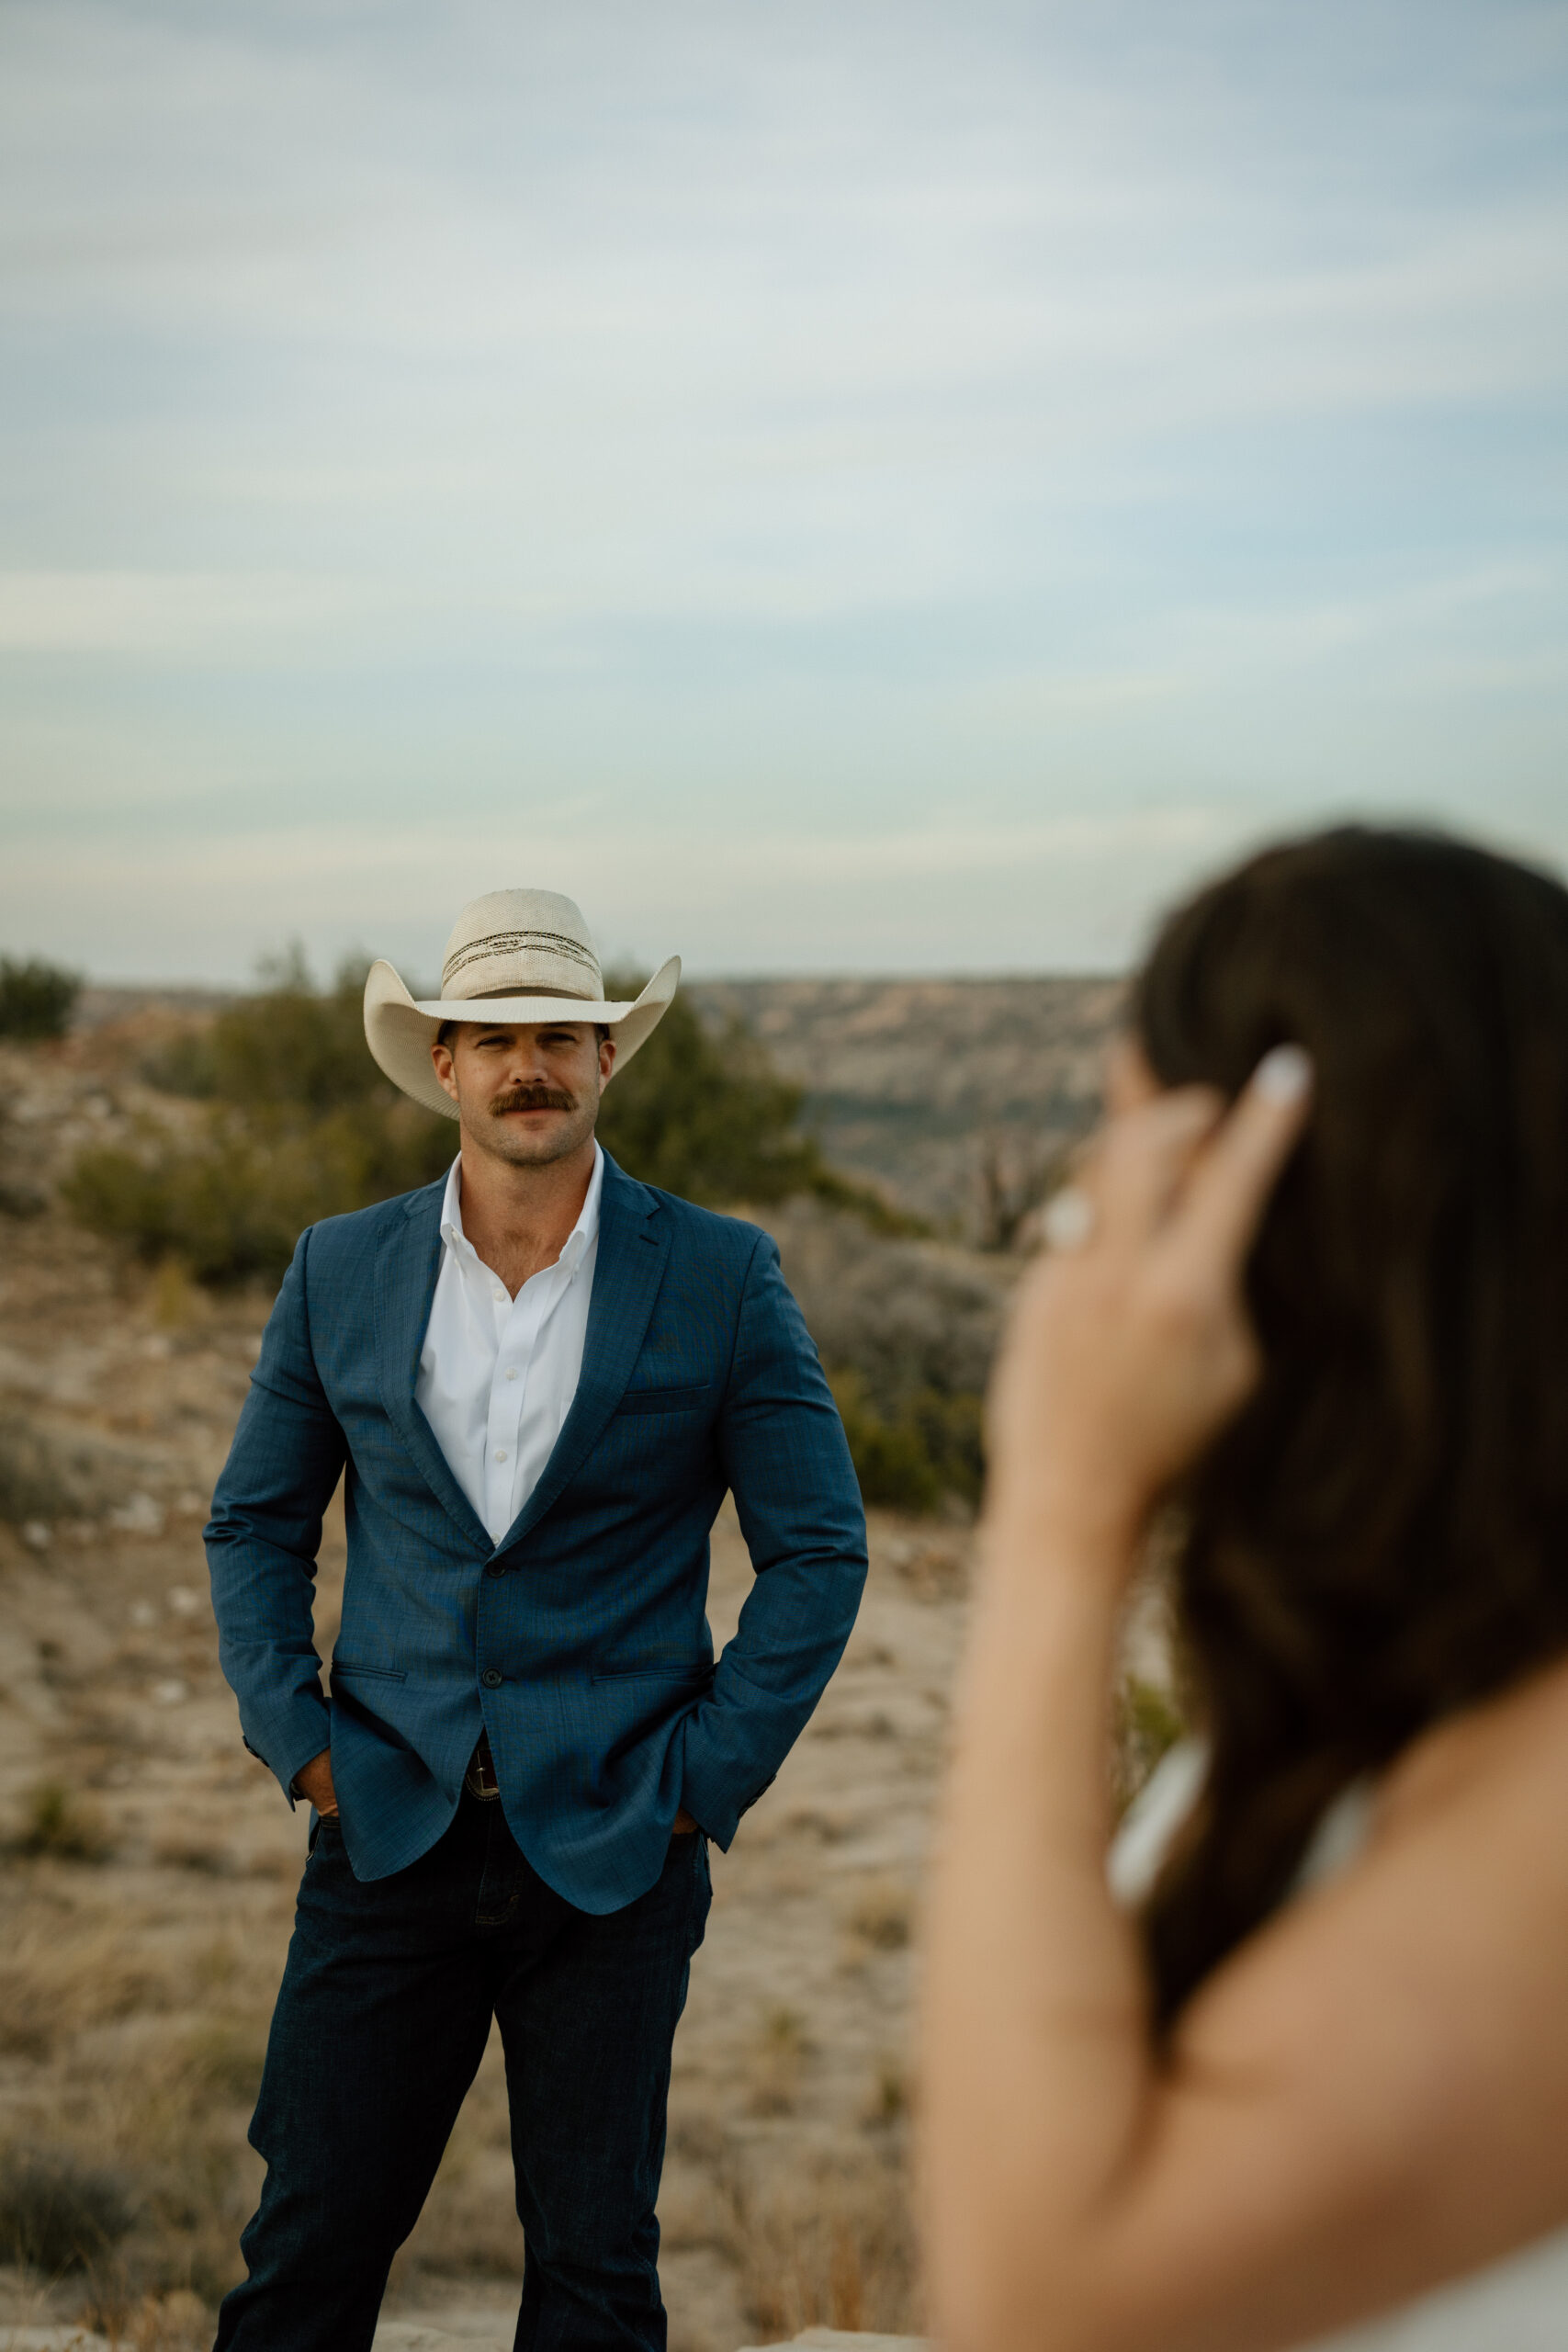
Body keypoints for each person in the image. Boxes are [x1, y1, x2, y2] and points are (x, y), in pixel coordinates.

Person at [920, 828, 1568, 2352]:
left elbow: (1043, 2296)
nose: (1097, 1250)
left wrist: (1064, 1514)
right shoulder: (1412, 1690)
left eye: (1145, 1179)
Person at [206, 887, 867, 2352]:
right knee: (307, 2248)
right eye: (492, 1035)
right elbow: (254, 1521)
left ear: (606, 1057)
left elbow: (817, 1548)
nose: (528, 1066)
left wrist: (705, 1779)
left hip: (620, 1851)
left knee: (593, 2276)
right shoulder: (339, 1267)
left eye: (558, 1034)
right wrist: (297, 1740)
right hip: (382, 1823)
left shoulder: (718, 1272)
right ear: (440, 1062)